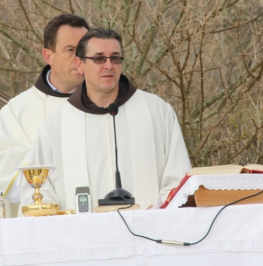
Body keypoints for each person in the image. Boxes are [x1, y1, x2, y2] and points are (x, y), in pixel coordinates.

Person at [21, 28, 192, 210]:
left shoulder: (157, 111)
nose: (109, 65)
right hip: (82, 235)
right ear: (80, 64)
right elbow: (38, 191)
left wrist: (158, 212)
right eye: (99, 58)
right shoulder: (56, 124)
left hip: (148, 232)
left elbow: (179, 179)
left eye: (115, 58)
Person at [0, 14, 89, 216]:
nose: (80, 59)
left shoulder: (110, 104)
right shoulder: (17, 111)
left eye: (85, 50)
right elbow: (1, 177)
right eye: (70, 50)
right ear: (48, 56)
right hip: (44, 226)